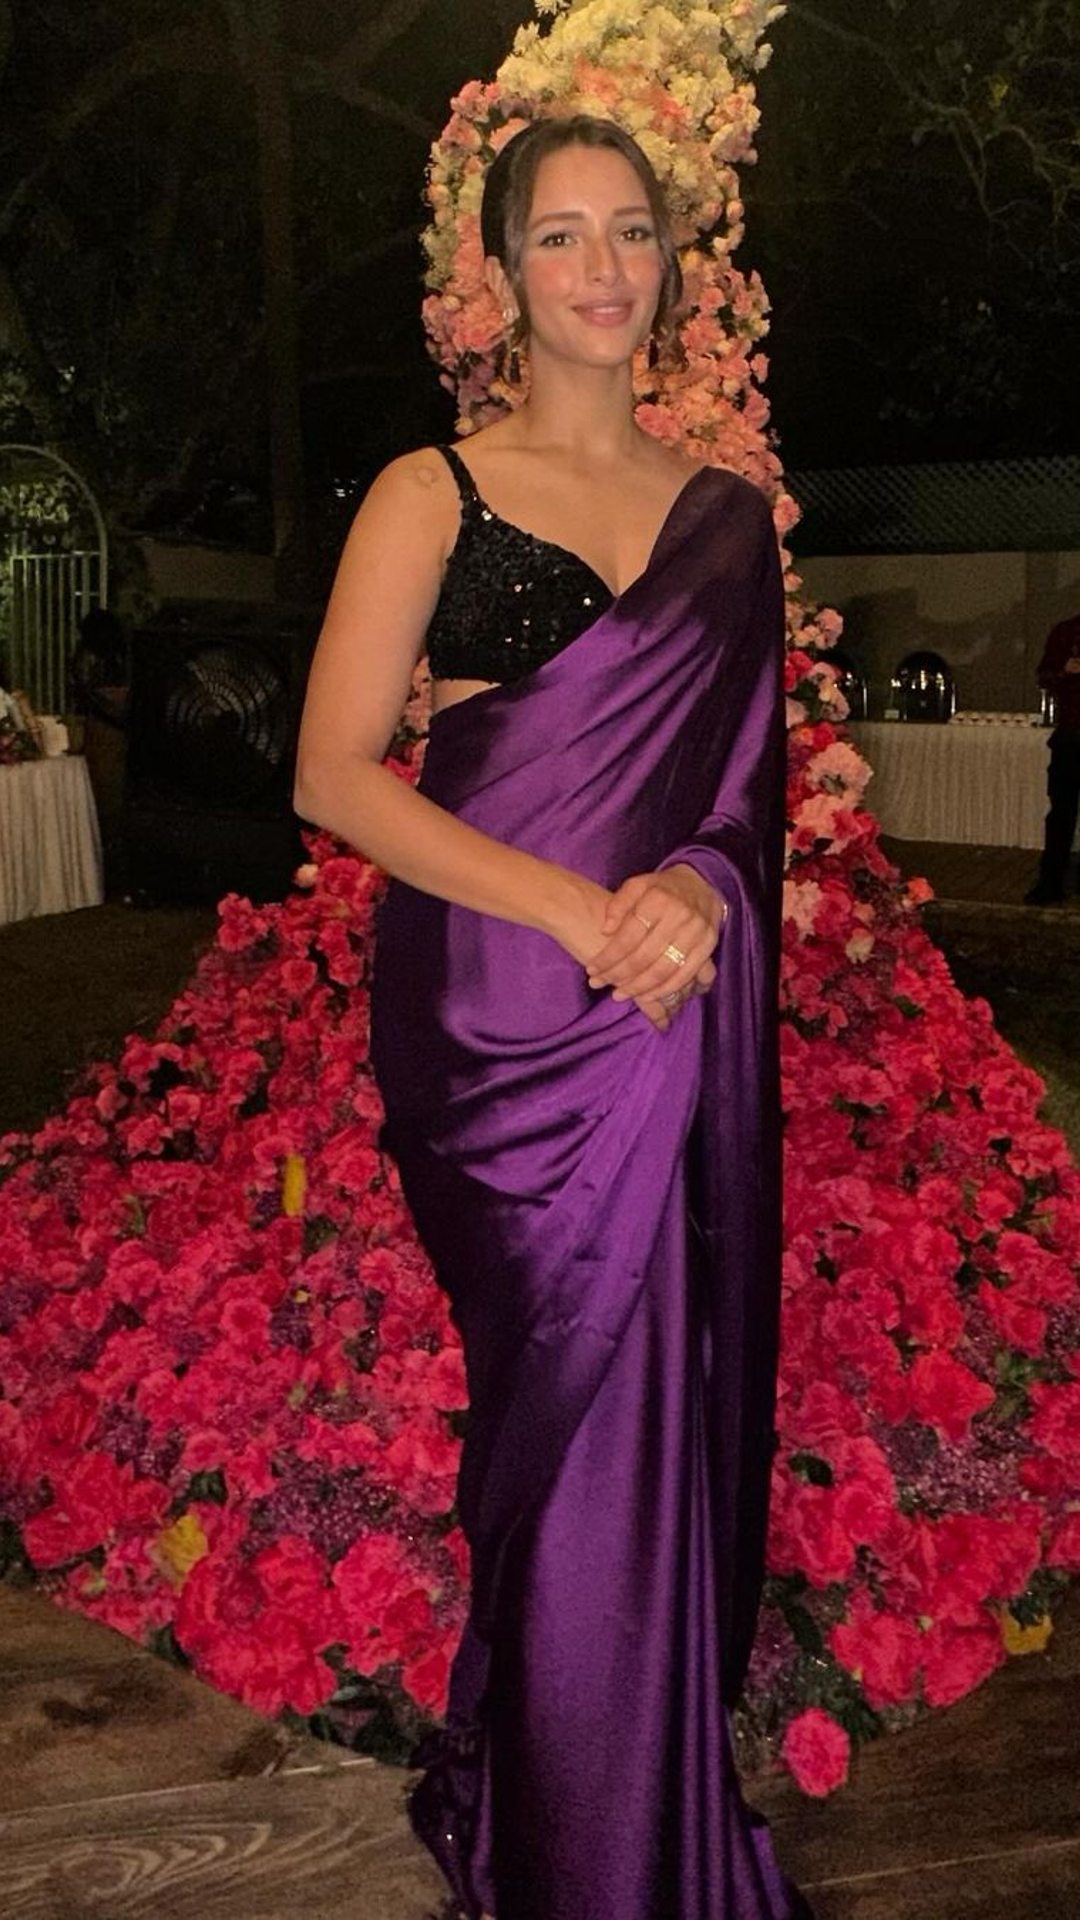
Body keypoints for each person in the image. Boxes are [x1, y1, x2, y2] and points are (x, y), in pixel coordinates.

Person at [295, 115, 812, 1920]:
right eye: (562, 236)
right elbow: (336, 776)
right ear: (501, 272)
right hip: (493, 1016)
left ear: (674, 260)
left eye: (632, 232)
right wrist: (580, 907)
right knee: (563, 1403)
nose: (602, 268)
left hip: (665, 996)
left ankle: (595, 1837)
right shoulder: (429, 491)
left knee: (641, 1417)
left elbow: (744, 794)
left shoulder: (726, 520)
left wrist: (699, 890)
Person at [1024, 608, 1080, 905]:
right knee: (1061, 814)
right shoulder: (1066, 631)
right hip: (1071, 736)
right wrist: (1064, 672)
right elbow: (1043, 676)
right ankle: (1051, 882)